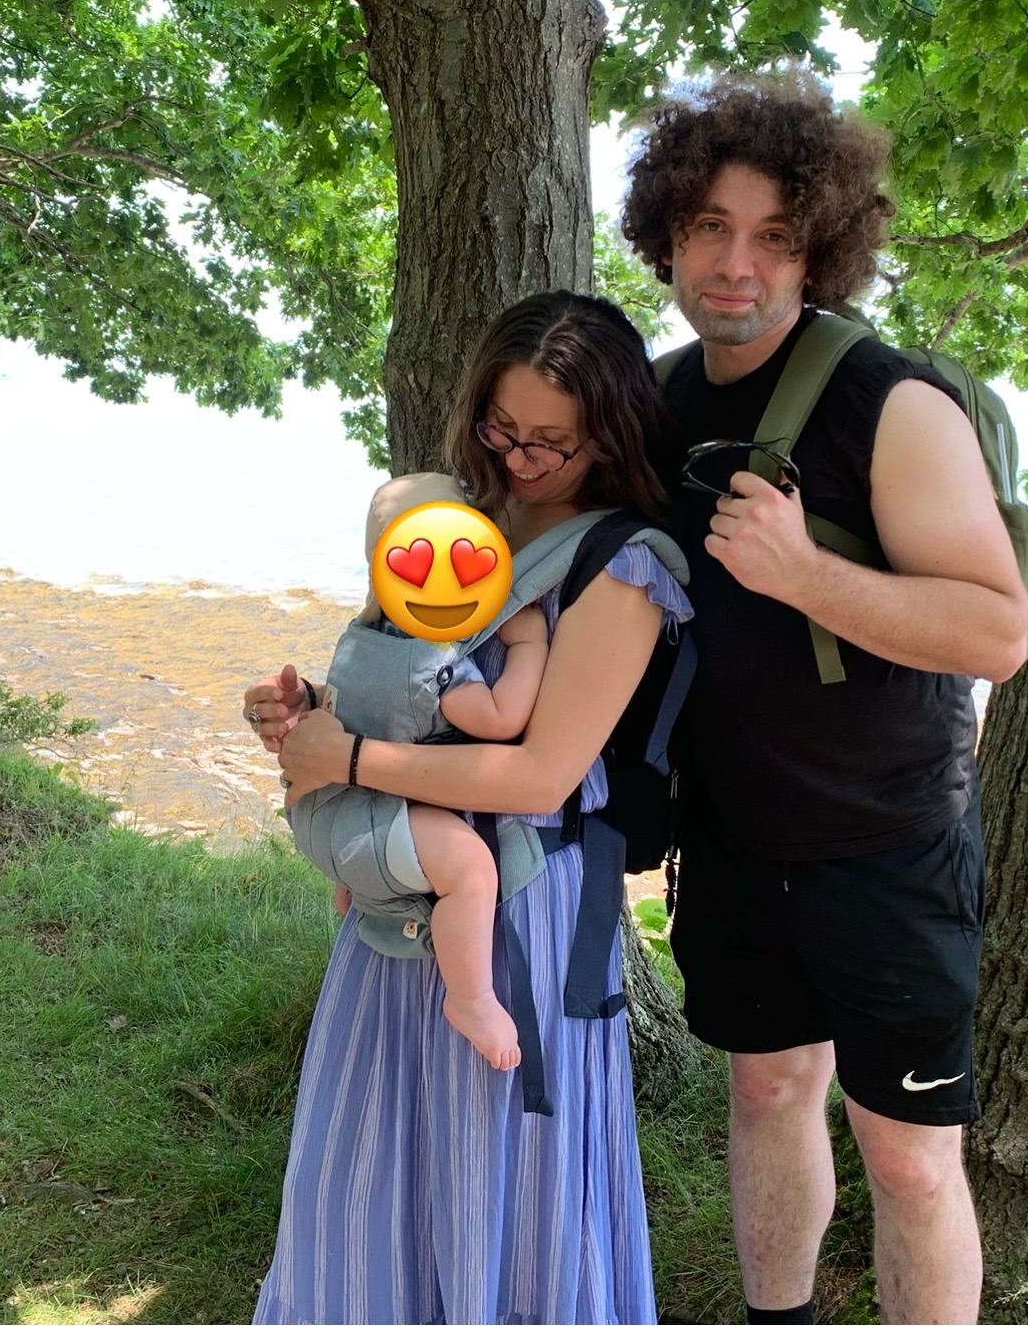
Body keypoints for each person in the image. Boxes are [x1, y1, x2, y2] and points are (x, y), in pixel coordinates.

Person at [620, 71, 1028, 1326]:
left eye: (775, 235)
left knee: (910, 1159)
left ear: (823, 250)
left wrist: (805, 575)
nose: (735, 264)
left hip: (886, 845)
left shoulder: (890, 402)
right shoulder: (657, 401)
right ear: (668, 233)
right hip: (731, 841)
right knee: (765, 1092)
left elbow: (998, 629)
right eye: (709, 227)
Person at [240, 290, 692, 1325]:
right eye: (501, 429)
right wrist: (309, 712)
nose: (523, 460)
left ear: (609, 433)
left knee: (505, 1162)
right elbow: (412, 687)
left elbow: (541, 775)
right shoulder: (459, 524)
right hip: (404, 878)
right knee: (368, 1156)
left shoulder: (620, 564)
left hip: (522, 907)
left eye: (553, 441)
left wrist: (351, 758)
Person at [280, 472, 552, 1070]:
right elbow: (501, 718)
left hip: (322, 816)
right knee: (471, 870)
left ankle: (362, 887)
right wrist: (529, 645)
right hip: (367, 828)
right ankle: (471, 998)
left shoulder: (360, 637)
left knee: (403, 826)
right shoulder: (430, 660)